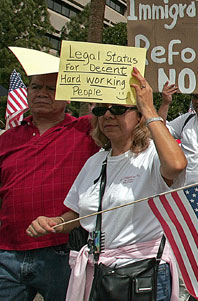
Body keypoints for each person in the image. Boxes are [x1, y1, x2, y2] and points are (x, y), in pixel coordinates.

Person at [27, 68, 187, 301]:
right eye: (102, 110)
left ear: (139, 115)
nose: (108, 116)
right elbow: (76, 212)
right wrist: (57, 223)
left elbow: (176, 165)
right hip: (99, 271)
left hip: (141, 273)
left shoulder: (152, 156)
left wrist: (150, 108)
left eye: (119, 109)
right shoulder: (95, 161)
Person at [0, 72, 99, 300]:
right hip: (8, 250)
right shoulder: (7, 138)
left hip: (62, 249)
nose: (42, 93)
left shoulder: (87, 131)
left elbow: (127, 122)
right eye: (36, 87)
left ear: (69, 98)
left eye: (52, 89)